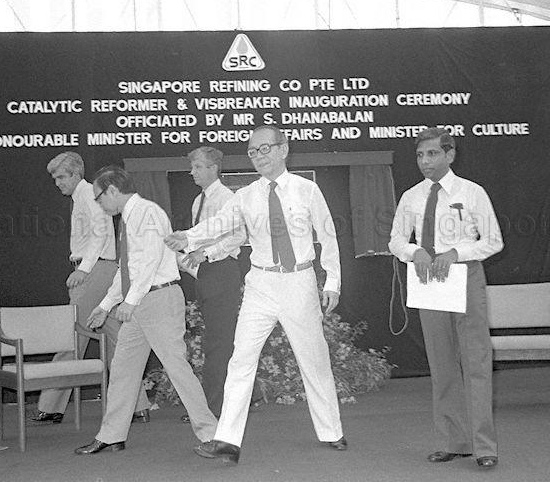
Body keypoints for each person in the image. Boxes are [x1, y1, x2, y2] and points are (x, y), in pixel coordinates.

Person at [165, 125, 347, 464]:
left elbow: (329, 236)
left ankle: (331, 431)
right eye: (252, 152)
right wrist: (187, 238)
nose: (259, 157)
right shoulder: (245, 195)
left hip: (299, 282)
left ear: (283, 149)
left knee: (314, 360)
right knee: (240, 359)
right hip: (260, 285)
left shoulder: (308, 190)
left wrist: (332, 281)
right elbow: (218, 224)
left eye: (264, 149)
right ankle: (227, 441)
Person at [75, 165, 216, 454]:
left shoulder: (147, 213)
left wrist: (129, 301)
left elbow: (150, 261)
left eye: (99, 197)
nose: (99, 203)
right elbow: (126, 271)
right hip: (142, 302)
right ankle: (112, 435)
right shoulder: (129, 217)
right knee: (124, 370)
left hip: (158, 300)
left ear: (113, 190)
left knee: (177, 369)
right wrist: (105, 305)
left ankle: (211, 435)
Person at [388, 127, 503, 469]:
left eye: (433, 154)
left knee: (476, 362)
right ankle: (452, 441)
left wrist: (457, 252)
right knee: (442, 364)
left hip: (465, 277)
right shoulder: (411, 196)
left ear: (450, 155)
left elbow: (493, 241)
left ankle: (484, 447)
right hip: (429, 282)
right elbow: (395, 240)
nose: (425, 161)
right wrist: (414, 252)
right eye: (421, 155)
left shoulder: (472, 192)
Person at [34, 152, 150, 425]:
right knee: (116, 341)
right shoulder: (84, 196)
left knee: (70, 335)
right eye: (55, 178)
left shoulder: (87, 194)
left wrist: (84, 269)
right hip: (105, 271)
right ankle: (137, 405)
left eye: (61, 177)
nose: (57, 183)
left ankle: (51, 406)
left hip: (94, 271)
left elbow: (100, 234)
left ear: (76, 174)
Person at [178, 147, 245, 420]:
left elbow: (238, 235)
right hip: (205, 274)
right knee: (215, 339)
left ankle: (213, 407)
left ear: (213, 168)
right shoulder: (198, 201)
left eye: (197, 167)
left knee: (219, 341)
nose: (192, 172)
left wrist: (205, 254)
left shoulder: (228, 198)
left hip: (222, 272)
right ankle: (236, 399)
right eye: (192, 167)